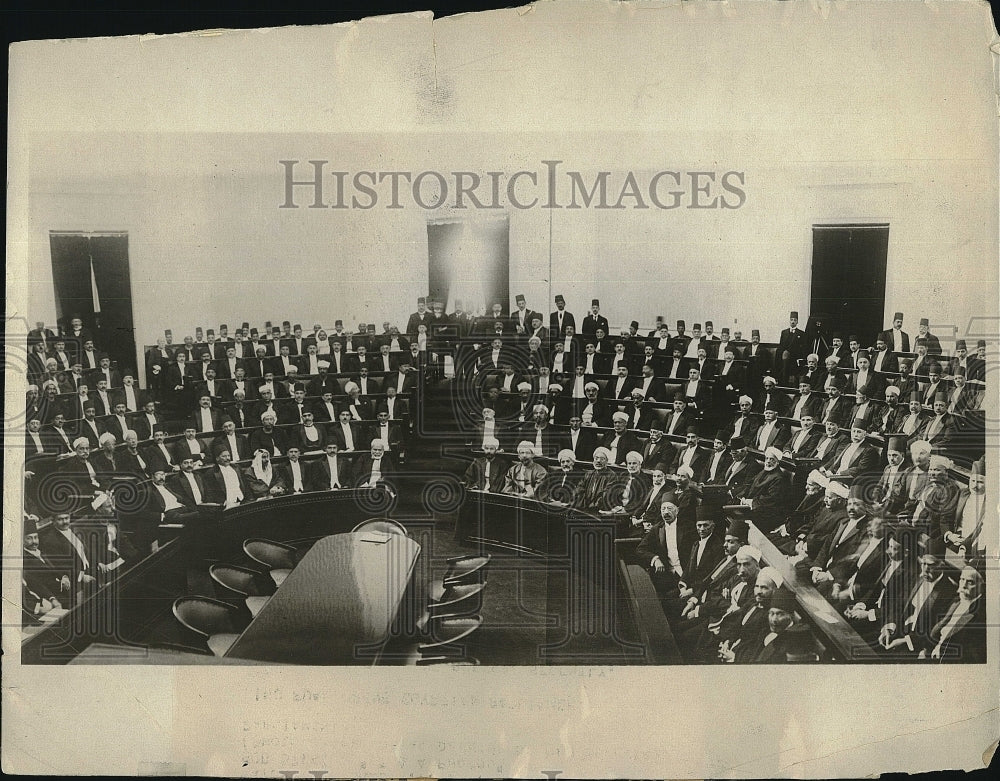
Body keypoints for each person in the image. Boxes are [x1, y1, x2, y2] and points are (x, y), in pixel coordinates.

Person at [919, 566, 985, 663]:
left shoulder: (982, 616)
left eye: (970, 582)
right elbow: (937, 628)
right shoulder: (955, 600)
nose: (963, 585)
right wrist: (925, 651)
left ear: (981, 586)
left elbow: (973, 655)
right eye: (962, 579)